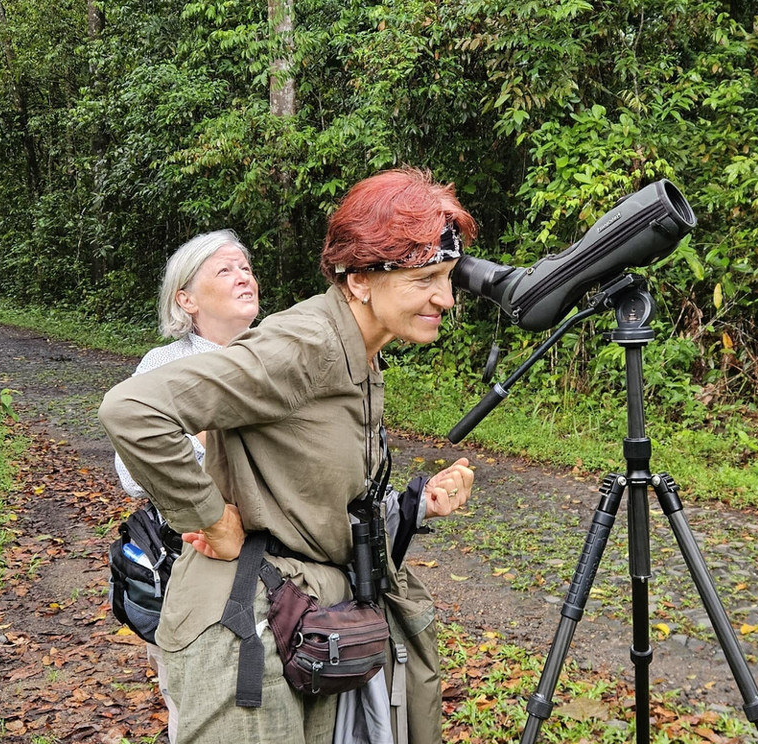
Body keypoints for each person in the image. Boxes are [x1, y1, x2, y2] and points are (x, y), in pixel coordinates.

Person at [99, 167, 477, 744]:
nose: (445, 298)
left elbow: (319, 497)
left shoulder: (362, 354)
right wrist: (205, 515)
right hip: (244, 627)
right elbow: (133, 409)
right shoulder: (305, 344)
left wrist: (416, 504)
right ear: (359, 279)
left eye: (448, 278)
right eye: (425, 278)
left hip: (305, 622)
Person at [114, 228, 261, 743]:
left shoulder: (274, 357)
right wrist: (206, 443)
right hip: (188, 560)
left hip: (274, 564)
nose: (244, 275)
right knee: (196, 700)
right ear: (187, 300)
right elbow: (132, 474)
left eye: (245, 267)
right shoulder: (164, 365)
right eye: (225, 269)